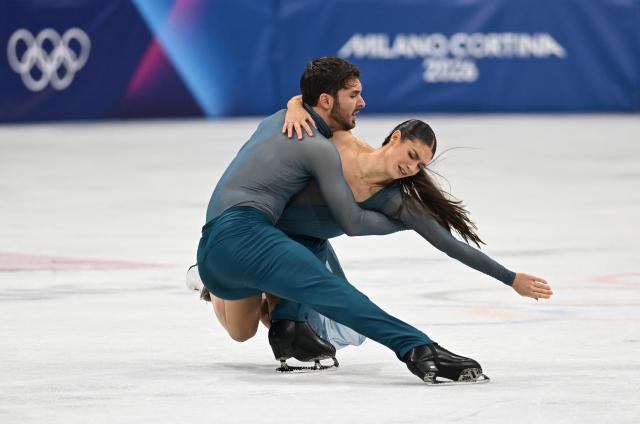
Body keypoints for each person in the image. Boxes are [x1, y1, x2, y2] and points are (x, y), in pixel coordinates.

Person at [196, 56, 491, 383]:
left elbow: (301, 105)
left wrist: (295, 103)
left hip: (217, 250)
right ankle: (418, 349)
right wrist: (409, 221)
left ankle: (230, 296)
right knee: (325, 284)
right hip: (241, 235)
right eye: (353, 95)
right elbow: (350, 224)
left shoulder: (279, 118)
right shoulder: (320, 148)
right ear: (326, 100)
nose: (361, 103)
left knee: (243, 331)